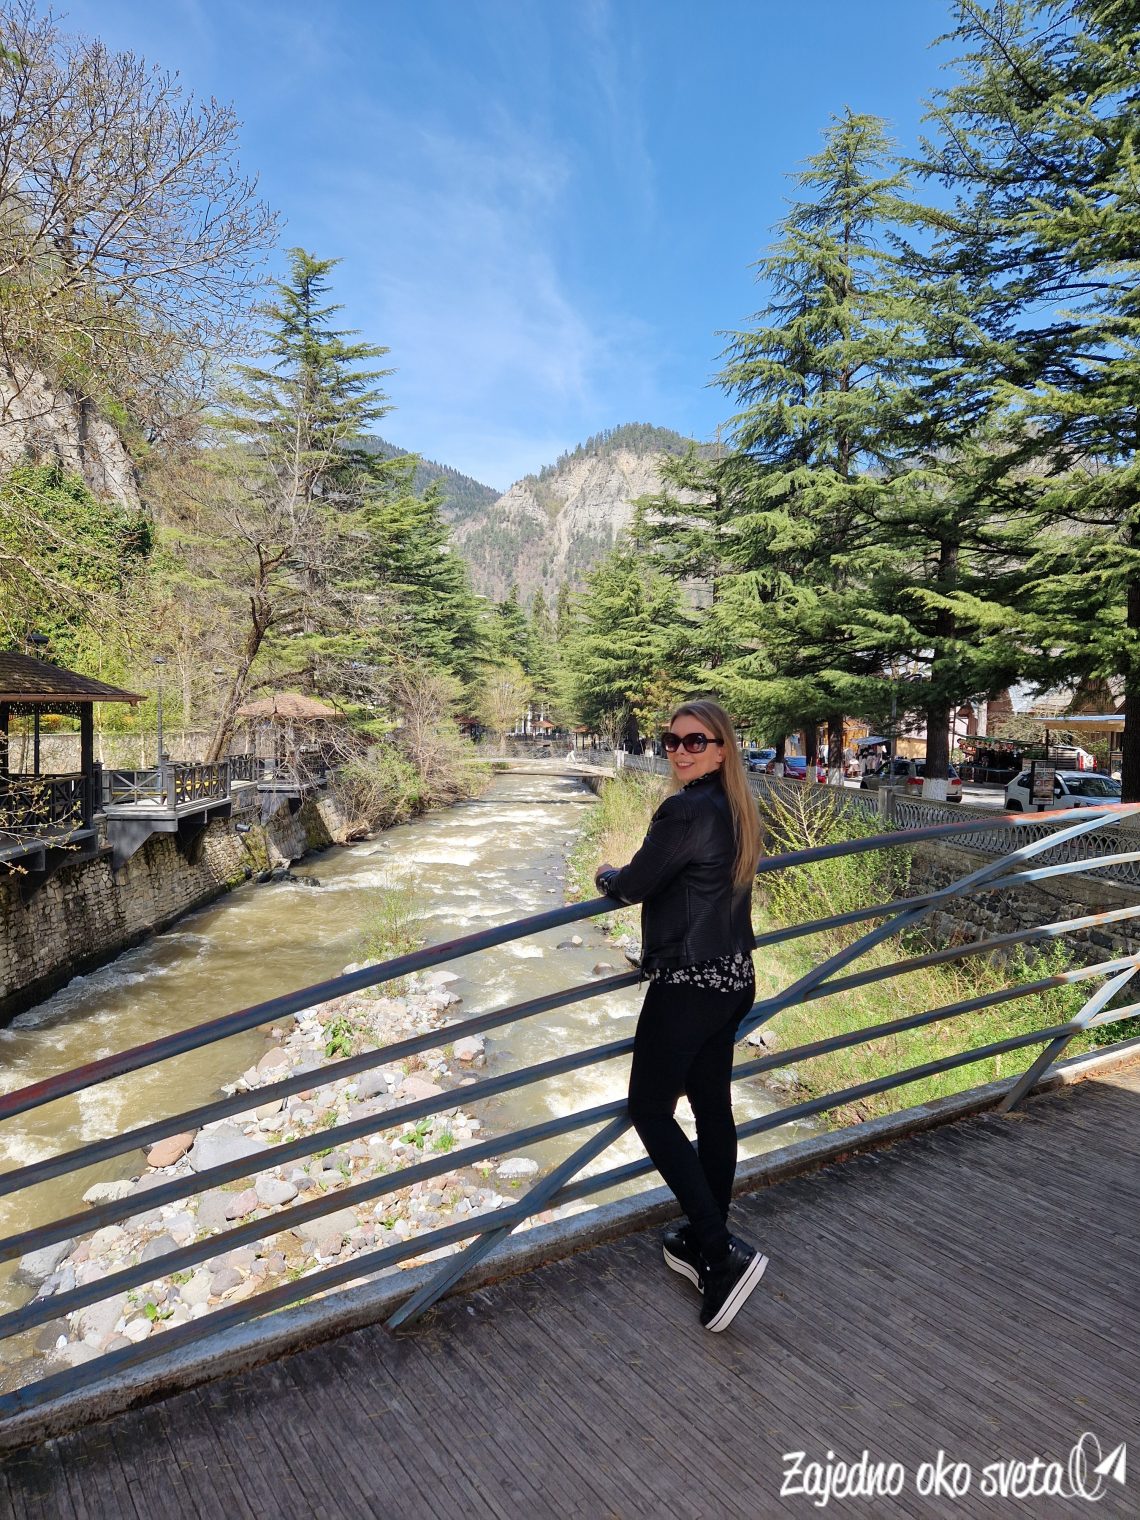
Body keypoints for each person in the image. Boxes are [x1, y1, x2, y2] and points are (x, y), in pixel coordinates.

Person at [595, 698, 769, 1333]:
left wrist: (606, 875)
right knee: (712, 1107)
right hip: (734, 977)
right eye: (671, 741)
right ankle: (706, 1235)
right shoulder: (735, 805)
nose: (679, 751)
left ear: (721, 749)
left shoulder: (686, 809)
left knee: (649, 1110)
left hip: (691, 981)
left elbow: (635, 883)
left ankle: (719, 1255)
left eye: (695, 741)